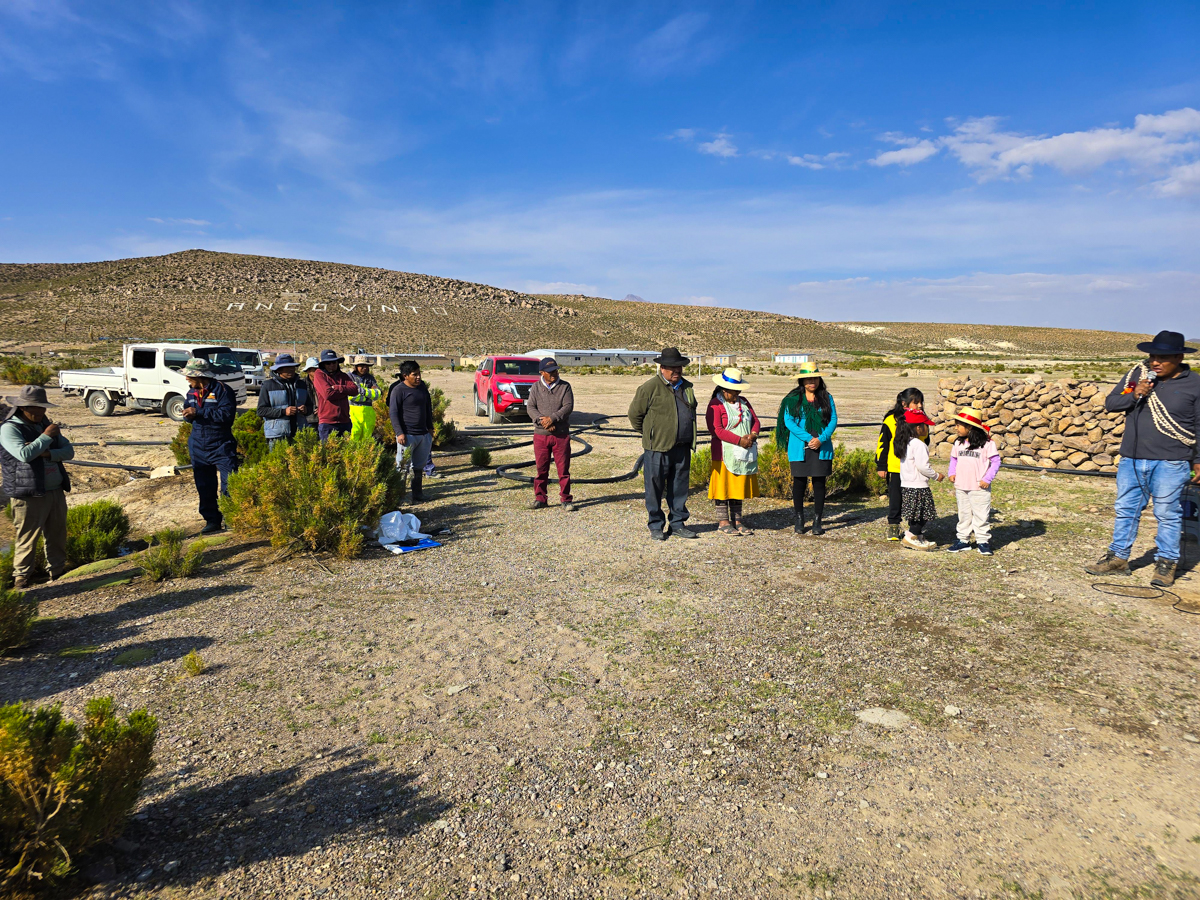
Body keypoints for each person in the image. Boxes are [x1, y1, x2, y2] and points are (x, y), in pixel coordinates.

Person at [1086, 330, 1200, 587]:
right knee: (1126, 510)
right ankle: (1118, 558)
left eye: (1163, 357)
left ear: (1179, 357)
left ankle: (1166, 563)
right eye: (1152, 356)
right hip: (1133, 458)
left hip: (1172, 461)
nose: (1155, 362)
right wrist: (1136, 393)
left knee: (1167, 512)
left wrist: (1198, 460)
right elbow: (1112, 403)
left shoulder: (1194, 385)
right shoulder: (1137, 377)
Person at [0, 386, 75, 588]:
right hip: (28, 494)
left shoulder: (44, 424)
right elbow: (24, 455)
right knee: (27, 537)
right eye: (36, 408)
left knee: (57, 534)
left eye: (43, 408)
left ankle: (58, 572)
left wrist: (48, 453)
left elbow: (68, 451)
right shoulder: (9, 429)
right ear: (23, 407)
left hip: (55, 491)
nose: (41, 412)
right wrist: (46, 437)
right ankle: (21, 579)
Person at [628, 347, 698, 541]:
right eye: (672, 368)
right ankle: (656, 525)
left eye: (679, 368)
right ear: (662, 368)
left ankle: (677, 524)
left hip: (682, 447)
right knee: (654, 488)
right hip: (657, 448)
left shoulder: (687, 387)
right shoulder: (649, 388)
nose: (676, 371)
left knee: (679, 488)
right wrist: (651, 434)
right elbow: (635, 416)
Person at [777, 362, 838, 535]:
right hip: (800, 446)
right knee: (799, 483)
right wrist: (809, 438)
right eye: (808, 378)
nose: (812, 381)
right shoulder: (792, 399)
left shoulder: (827, 397)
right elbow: (789, 422)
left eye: (815, 378)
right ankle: (800, 519)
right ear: (802, 381)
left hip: (821, 445)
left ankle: (818, 521)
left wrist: (821, 439)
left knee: (819, 483)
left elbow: (833, 420)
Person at [181, 358, 238, 534]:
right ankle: (212, 521)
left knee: (229, 483)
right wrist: (187, 415)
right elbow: (187, 412)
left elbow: (227, 415)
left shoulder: (222, 390)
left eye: (189, 376)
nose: (186, 379)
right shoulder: (191, 393)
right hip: (198, 444)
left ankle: (231, 519)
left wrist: (199, 412)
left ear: (200, 376)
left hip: (221, 443)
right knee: (204, 486)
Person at [706, 368, 761, 535]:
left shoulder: (744, 402)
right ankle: (723, 522)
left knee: (737, 486)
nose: (737, 393)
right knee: (723, 487)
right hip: (723, 453)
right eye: (734, 391)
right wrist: (739, 440)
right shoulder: (715, 405)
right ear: (724, 390)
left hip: (743, 452)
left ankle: (737, 521)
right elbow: (716, 429)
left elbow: (756, 421)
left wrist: (752, 435)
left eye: (739, 390)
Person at [945, 407, 1000, 556]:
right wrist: (952, 472)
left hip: (979, 487)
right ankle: (963, 540)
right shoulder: (958, 443)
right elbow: (954, 459)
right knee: (964, 514)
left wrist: (987, 479)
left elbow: (995, 462)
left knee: (981, 515)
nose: (956, 427)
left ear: (969, 427)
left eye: (959, 425)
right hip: (961, 486)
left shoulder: (987, 444)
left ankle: (983, 541)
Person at [876, 388, 926, 541]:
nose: (920, 406)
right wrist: (881, 465)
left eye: (921, 402)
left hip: (915, 468)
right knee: (896, 498)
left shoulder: (922, 419)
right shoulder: (891, 420)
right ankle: (893, 526)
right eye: (916, 402)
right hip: (896, 467)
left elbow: (926, 441)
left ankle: (914, 528)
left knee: (915, 499)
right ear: (904, 403)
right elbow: (882, 443)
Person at [526, 357, 575, 511]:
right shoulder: (535, 387)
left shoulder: (565, 387)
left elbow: (568, 406)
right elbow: (531, 407)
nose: (553, 373)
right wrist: (542, 421)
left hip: (560, 435)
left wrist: (552, 419)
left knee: (563, 469)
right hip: (541, 435)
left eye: (555, 370)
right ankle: (540, 498)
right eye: (549, 371)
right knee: (541, 469)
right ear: (542, 373)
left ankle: (566, 499)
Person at [895, 408, 942, 550]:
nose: (927, 428)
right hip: (918, 485)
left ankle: (918, 536)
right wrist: (936, 475)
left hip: (907, 485)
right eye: (925, 425)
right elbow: (923, 466)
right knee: (924, 514)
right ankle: (910, 536)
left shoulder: (904, 443)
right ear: (918, 427)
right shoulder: (919, 445)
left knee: (914, 513)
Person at [387, 360, 434, 503]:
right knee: (402, 467)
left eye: (419, 374)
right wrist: (399, 432)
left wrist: (430, 428)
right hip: (407, 435)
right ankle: (399, 497)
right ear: (405, 375)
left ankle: (417, 494)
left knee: (418, 467)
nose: (419, 377)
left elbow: (428, 408)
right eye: (415, 374)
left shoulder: (422, 388)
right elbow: (393, 413)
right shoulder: (398, 390)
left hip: (423, 435)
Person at [257, 353, 313, 449]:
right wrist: (283, 411)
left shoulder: (301, 384)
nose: (291, 370)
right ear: (278, 370)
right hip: (277, 436)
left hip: (299, 433)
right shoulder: (268, 385)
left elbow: (310, 406)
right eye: (286, 368)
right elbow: (261, 410)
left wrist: (306, 410)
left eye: (292, 367)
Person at [310, 349, 360, 440]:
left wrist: (338, 388)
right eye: (328, 363)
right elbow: (328, 394)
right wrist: (345, 392)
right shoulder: (319, 375)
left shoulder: (343, 376)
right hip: (327, 422)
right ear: (323, 365)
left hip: (344, 421)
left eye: (334, 362)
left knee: (346, 452)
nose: (332, 365)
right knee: (329, 452)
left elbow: (354, 390)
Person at [347, 355, 383, 443]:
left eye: (366, 366)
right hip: (353, 411)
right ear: (355, 366)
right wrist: (370, 393)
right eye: (361, 366)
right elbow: (351, 396)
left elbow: (378, 394)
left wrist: (361, 391)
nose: (364, 368)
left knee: (367, 437)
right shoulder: (349, 377)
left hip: (368, 413)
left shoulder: (370, 378)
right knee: (354, 435)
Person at [301, 357, 321, 430]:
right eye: (315, 370)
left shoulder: (324, 383)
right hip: (309, 419)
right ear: (308, 370)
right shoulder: (302, 384)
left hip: (323, 418)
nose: (318, 371)